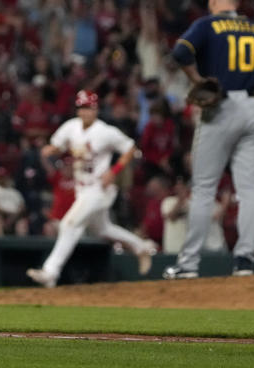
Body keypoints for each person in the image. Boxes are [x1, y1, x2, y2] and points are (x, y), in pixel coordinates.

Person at [163, 0, 254, 279]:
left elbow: (180, 53)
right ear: (237, 3)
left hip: (221, 107)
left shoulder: (207, 25)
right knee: (250, 189)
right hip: (253, 108)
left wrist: (197, 81)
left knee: (203, 190)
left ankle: (188, 265)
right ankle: (244, 262)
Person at [26, 90, 158, 288]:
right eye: (81, 108)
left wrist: (114, 171)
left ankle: (50, 272)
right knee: (103, 229)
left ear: (96, 109)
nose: (84, 112)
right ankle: (141, 247)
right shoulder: (71, 127)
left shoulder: (106, 131)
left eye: (88, 108)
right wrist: (50, 150)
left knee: (69, 224)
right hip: (82, 189)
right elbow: (57, 145)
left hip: (99, 189)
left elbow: (131, 149)